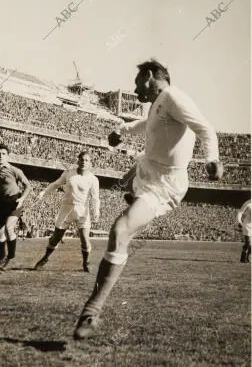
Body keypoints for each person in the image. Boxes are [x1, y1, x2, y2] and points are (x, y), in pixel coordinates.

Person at [74, 59, 224, 339]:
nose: (135, 88)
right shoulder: (158, 104)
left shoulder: (174, 97)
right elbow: (148, 124)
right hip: (148, 172)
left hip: (164, 185)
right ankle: (132, 197)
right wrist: (122, 130)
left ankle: (91, 313)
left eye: (137, 82)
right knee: (121, 230)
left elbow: (205, 128)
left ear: (151, 75)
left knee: (120, 231)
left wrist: (212, 159)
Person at [34, 151, 100, 272]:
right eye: (82, 159)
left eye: (87, 160)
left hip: (82, 210)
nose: (84, 162)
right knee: (56, 237)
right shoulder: (69, 173)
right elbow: (56, 184)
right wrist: (43, 192)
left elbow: (95, 197)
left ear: (90, 163)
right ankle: (45, 258)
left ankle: (86, 263)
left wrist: (96, 212)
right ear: (78, 160)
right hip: (67, 208)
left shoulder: (93, 179)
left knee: (85, 239)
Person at [0, 144, 31, 273]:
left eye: (4, 154)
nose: (1, 156)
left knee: (8, 227)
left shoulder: (15, 170)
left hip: (14, 202)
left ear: (8, 156)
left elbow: (28, 186)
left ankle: (10, 256)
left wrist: (22, 199)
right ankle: (1, 258)